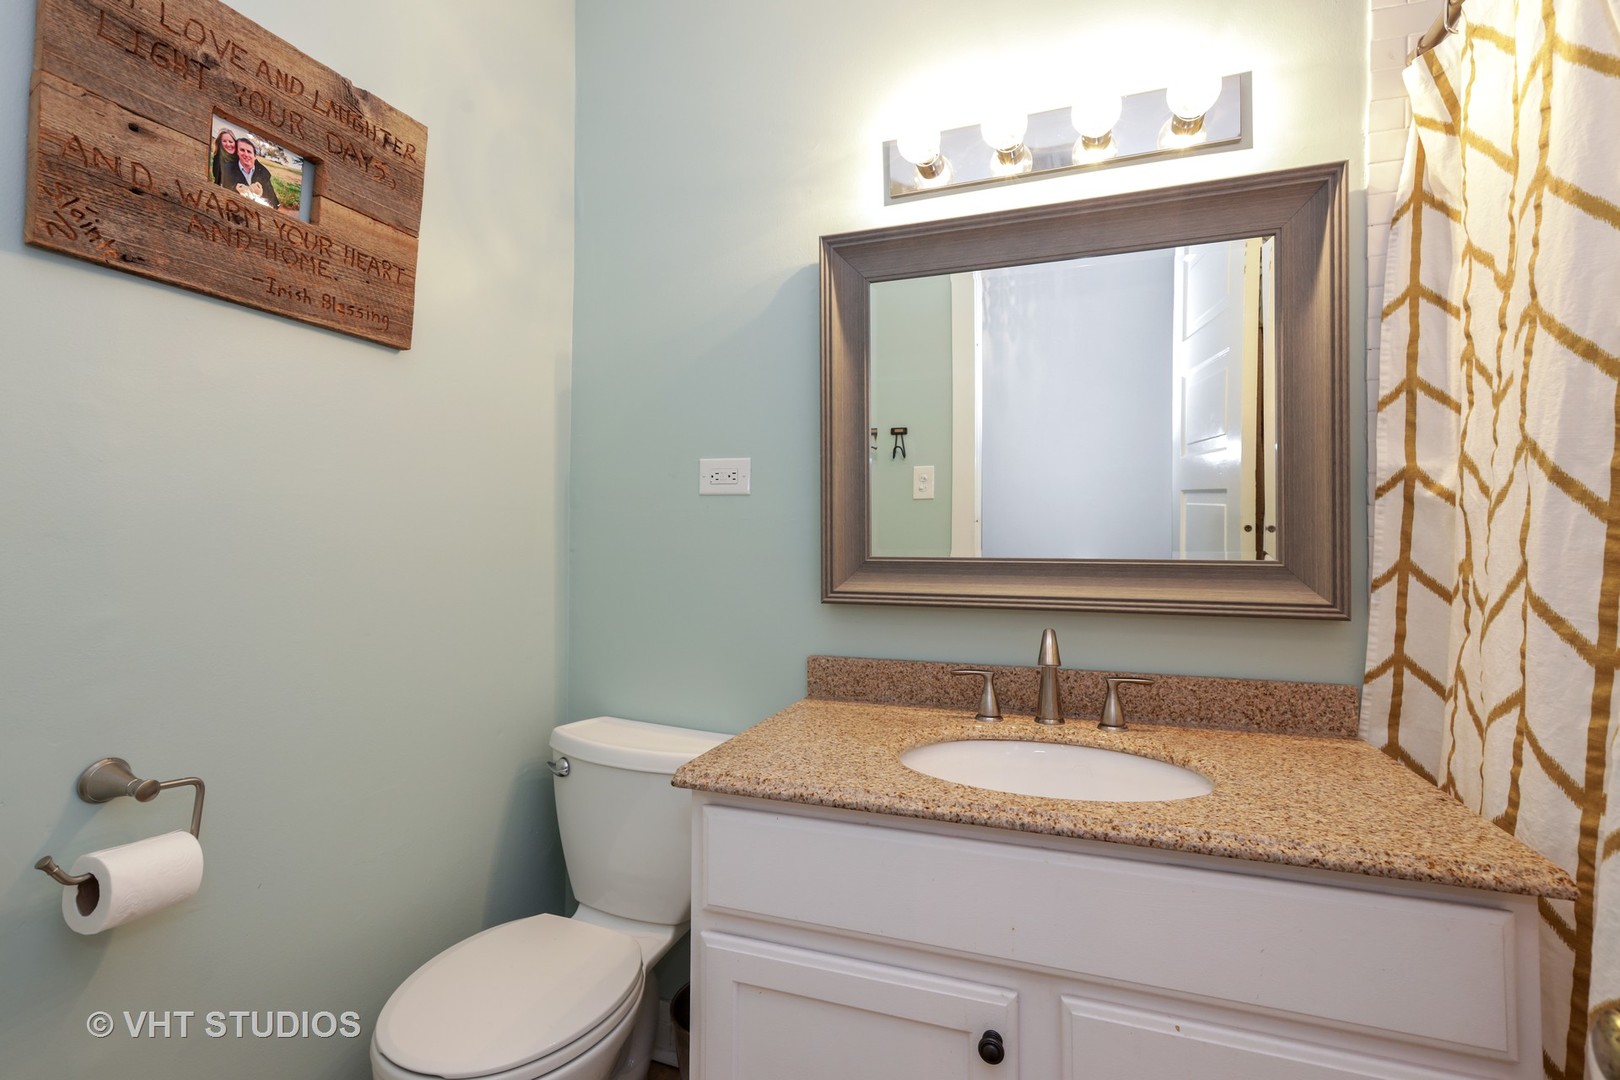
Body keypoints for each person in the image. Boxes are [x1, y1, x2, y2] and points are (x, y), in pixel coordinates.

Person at [221, 136, 281, 210]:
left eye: (249, 152)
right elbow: (222, 197)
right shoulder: (227, 169)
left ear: (255, 156)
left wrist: (260, 195)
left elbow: (274, 204)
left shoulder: (263, 173)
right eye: (242, 150)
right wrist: (237, 192)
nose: (246, 154)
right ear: (237, 152)